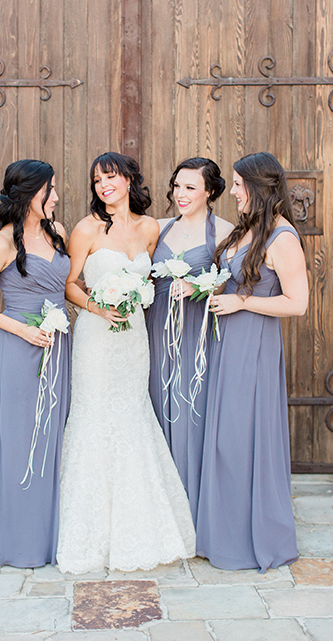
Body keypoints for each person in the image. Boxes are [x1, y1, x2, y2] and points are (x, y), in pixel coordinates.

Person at [57, 152, 196, 574]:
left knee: (132, 416)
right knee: (96, 418)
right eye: (98, 179)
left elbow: (152, 278)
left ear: (130, 180)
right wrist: (98, 306)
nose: (104, 186)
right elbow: (70, 284)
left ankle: (141, 523)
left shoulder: (152, 228)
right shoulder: (86, 228)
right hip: (97, 339)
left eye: (111, 177)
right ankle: (88, 530)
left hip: (134, 340)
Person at [196, 152, 308, 572]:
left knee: (242, 440)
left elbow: (297, 304)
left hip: (254, 348)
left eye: (240, 185)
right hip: (227, 344)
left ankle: (253, 539)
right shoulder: (249, 231)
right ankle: (223, 533)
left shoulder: (282, 238)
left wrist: (241, 300)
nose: (234, 192)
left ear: (260, 188)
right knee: (225, 440)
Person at [0, 159, 71, 567]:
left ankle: (49, 537)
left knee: (53, 438)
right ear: (29, 195)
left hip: (59, 347)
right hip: (20, 348)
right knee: (22, 439)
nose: (57, 197)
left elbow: (69, 287)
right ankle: (19, 542)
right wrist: (21, 330)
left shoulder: (58, 232)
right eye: (50, 190)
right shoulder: (4, 242)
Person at [146, 157, 233, 529]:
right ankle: (160, 513)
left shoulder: (226, 231)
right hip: (155, 331)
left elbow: (230, 280)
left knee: (193, 411)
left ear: (209, 191)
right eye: (177, 186)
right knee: (154, 406)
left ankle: (196, 511)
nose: (180, 195)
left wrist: (200, 285)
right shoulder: (159, 228)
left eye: (190, 188)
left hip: (198, 335)